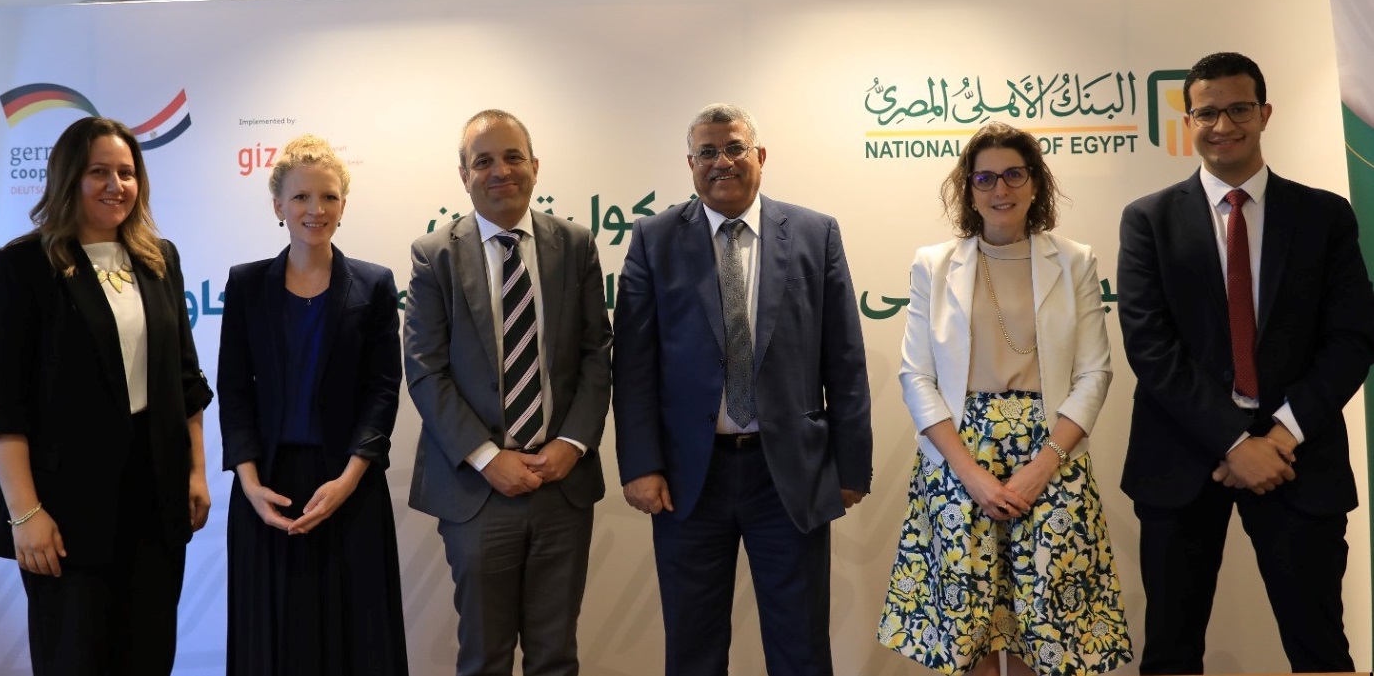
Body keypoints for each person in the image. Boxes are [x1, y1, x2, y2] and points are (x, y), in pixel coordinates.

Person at [1117, 51, 1374, 674]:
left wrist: (1278, 437)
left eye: (1238, 109)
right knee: (1171, 653)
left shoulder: (1324, 216)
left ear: (1264, 113)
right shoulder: (1148, 219)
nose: (1222, 125)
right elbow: (1150, 346)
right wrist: (1234, 443)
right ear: (1188, 121)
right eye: (1207, 113)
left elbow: (1351, 338)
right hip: (1182, 459)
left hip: (1298, 460)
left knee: (1320, 650)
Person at [612, 103, 872, 676]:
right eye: (707, 152)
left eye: (734, 148)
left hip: (788, 476)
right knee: (693, 648)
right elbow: (632, 367)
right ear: (690, 164)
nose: (721, 162)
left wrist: (852, 467)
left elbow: (845, 360)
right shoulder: (654, 239)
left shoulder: (815, 233)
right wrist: (641, 465)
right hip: (688, 479)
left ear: (760, 156)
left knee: (801, 646)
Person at [877, 122, 1130, 676]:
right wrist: (970, 474)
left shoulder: (1075, 260)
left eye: (1014, 174)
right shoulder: (934, 264)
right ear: (968, 190)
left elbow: (1095, 373)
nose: (1001, 189)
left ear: (1036, 183)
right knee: (971, 637)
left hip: (1052, 457)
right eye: (985, 178)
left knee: (1046, 635)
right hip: (959, 459)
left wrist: (1044, 466)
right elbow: (916, 376)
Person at [0, 116, 213, 675]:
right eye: (98, 172)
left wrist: (196, 472)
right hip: (64, 513)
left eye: (126, 173)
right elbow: (1, 405)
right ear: (68, 178)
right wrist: (24, 513)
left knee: (148, 657)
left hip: (156, 503)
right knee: (74, 659)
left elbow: (186, 381)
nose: (116, 185)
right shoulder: (22, 266)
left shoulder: (159, 259)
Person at [403, 109, 612, 676]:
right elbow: (424, 370)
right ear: (464, 175)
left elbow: (597, 353)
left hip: (560, 486)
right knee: (485, 658)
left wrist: (572, 443)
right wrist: (487, 458)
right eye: (484, 161)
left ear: (535, 166)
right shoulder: (435, 254)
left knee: (555, 657)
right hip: (477, 491)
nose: (501, 171)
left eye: (513, 157)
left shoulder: (575, 245)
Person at [217, 135, 408, 675]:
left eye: (328, 197)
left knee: (356, 641)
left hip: (349, 486)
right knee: (272, 641)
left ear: (343, 205)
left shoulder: (374, 284)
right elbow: (234, 388)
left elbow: (383, 389)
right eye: (301, 197)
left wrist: (348, 480)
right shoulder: (246, 284)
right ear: (278, 205)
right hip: (267, 486)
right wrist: (249, 484)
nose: (315, 209)